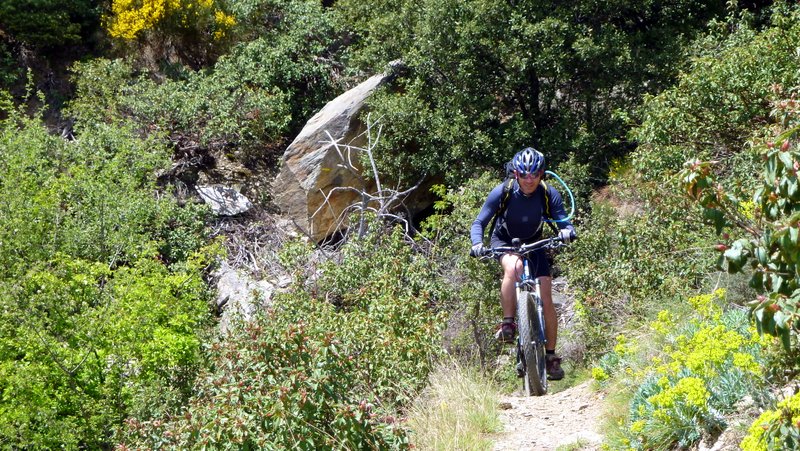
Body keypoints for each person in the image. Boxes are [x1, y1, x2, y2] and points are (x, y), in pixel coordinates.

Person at [469, 147, 575, 380]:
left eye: (534, 174)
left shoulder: (548, 193)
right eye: (524, 175)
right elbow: (479, 222)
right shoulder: (503, 191)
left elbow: (562, 220)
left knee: (545, 293)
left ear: (541, 174)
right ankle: (508, 324)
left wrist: (567, 231)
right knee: (514, 267)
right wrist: (477, 243)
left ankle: (550, 356)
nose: (529, 180)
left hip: (534, 242)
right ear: (515, 174)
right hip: (504, 241)